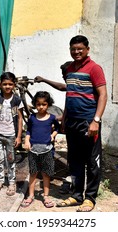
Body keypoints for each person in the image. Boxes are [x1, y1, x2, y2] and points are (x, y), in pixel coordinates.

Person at [56, 35, 107, 212]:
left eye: (80, 49)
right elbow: (69, 96)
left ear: (87, 49)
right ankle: (77, 195)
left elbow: (103, 95)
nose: (76, 52)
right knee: (75, 160)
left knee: (92, 162)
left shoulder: (94, 68)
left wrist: (96, 121)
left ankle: (90, 198)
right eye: (73, 49)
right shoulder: (69, 69)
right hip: (72, 123)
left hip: (88, 122)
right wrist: (64, 118)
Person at [34, 61, 75, 195]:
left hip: (77, 124)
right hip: (68, 122)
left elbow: (62, 88)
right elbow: (62, 86)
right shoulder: (71, 85)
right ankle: (49, 169)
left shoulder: (77, 86)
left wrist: (54, 118)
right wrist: (44, 80)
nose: (63, 78)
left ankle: (70, 180)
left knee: (75, 154)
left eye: (65, 75)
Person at [21, 91, 60, 208]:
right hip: (33, 151)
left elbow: (57, 128)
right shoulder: (32, 118)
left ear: (48, 105)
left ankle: (46, 196)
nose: (41, 107)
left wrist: (53, 136)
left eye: (44, 104)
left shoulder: (52, 118)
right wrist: (27, 141)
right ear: (35, 104)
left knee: (46, 174)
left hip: (47, 150)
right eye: (38, 104)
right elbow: (28, 131)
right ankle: (31, 195)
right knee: (33, 173)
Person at [0, 72, 24, 196]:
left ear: (14, 85)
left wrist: (19, 136)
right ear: (0, 85)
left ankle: (12, 183)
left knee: (10, 159)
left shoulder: (17, 100)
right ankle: (0, 181)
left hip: (11, 135)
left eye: (10, 84)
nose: (7, 86)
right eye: (5, 84)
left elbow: (20, 118)